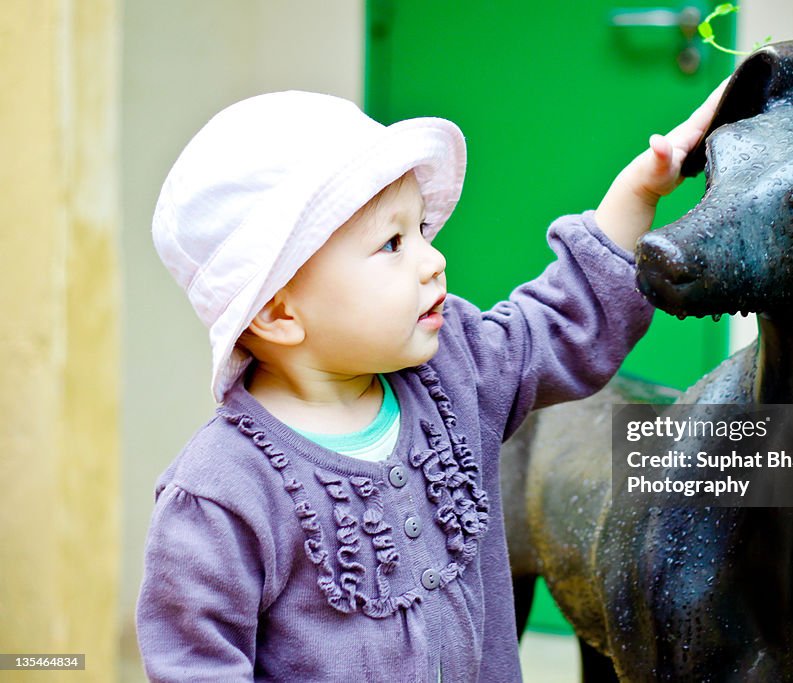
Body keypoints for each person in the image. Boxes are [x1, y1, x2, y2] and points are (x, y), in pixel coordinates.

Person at [137, 86, 722, 682]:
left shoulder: (455, 371)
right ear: (280, 314)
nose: (433, 259)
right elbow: (196, 666)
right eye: (391, 243)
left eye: (421, 228)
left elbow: (561, 322)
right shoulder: (221, 495)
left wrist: (639, 192)